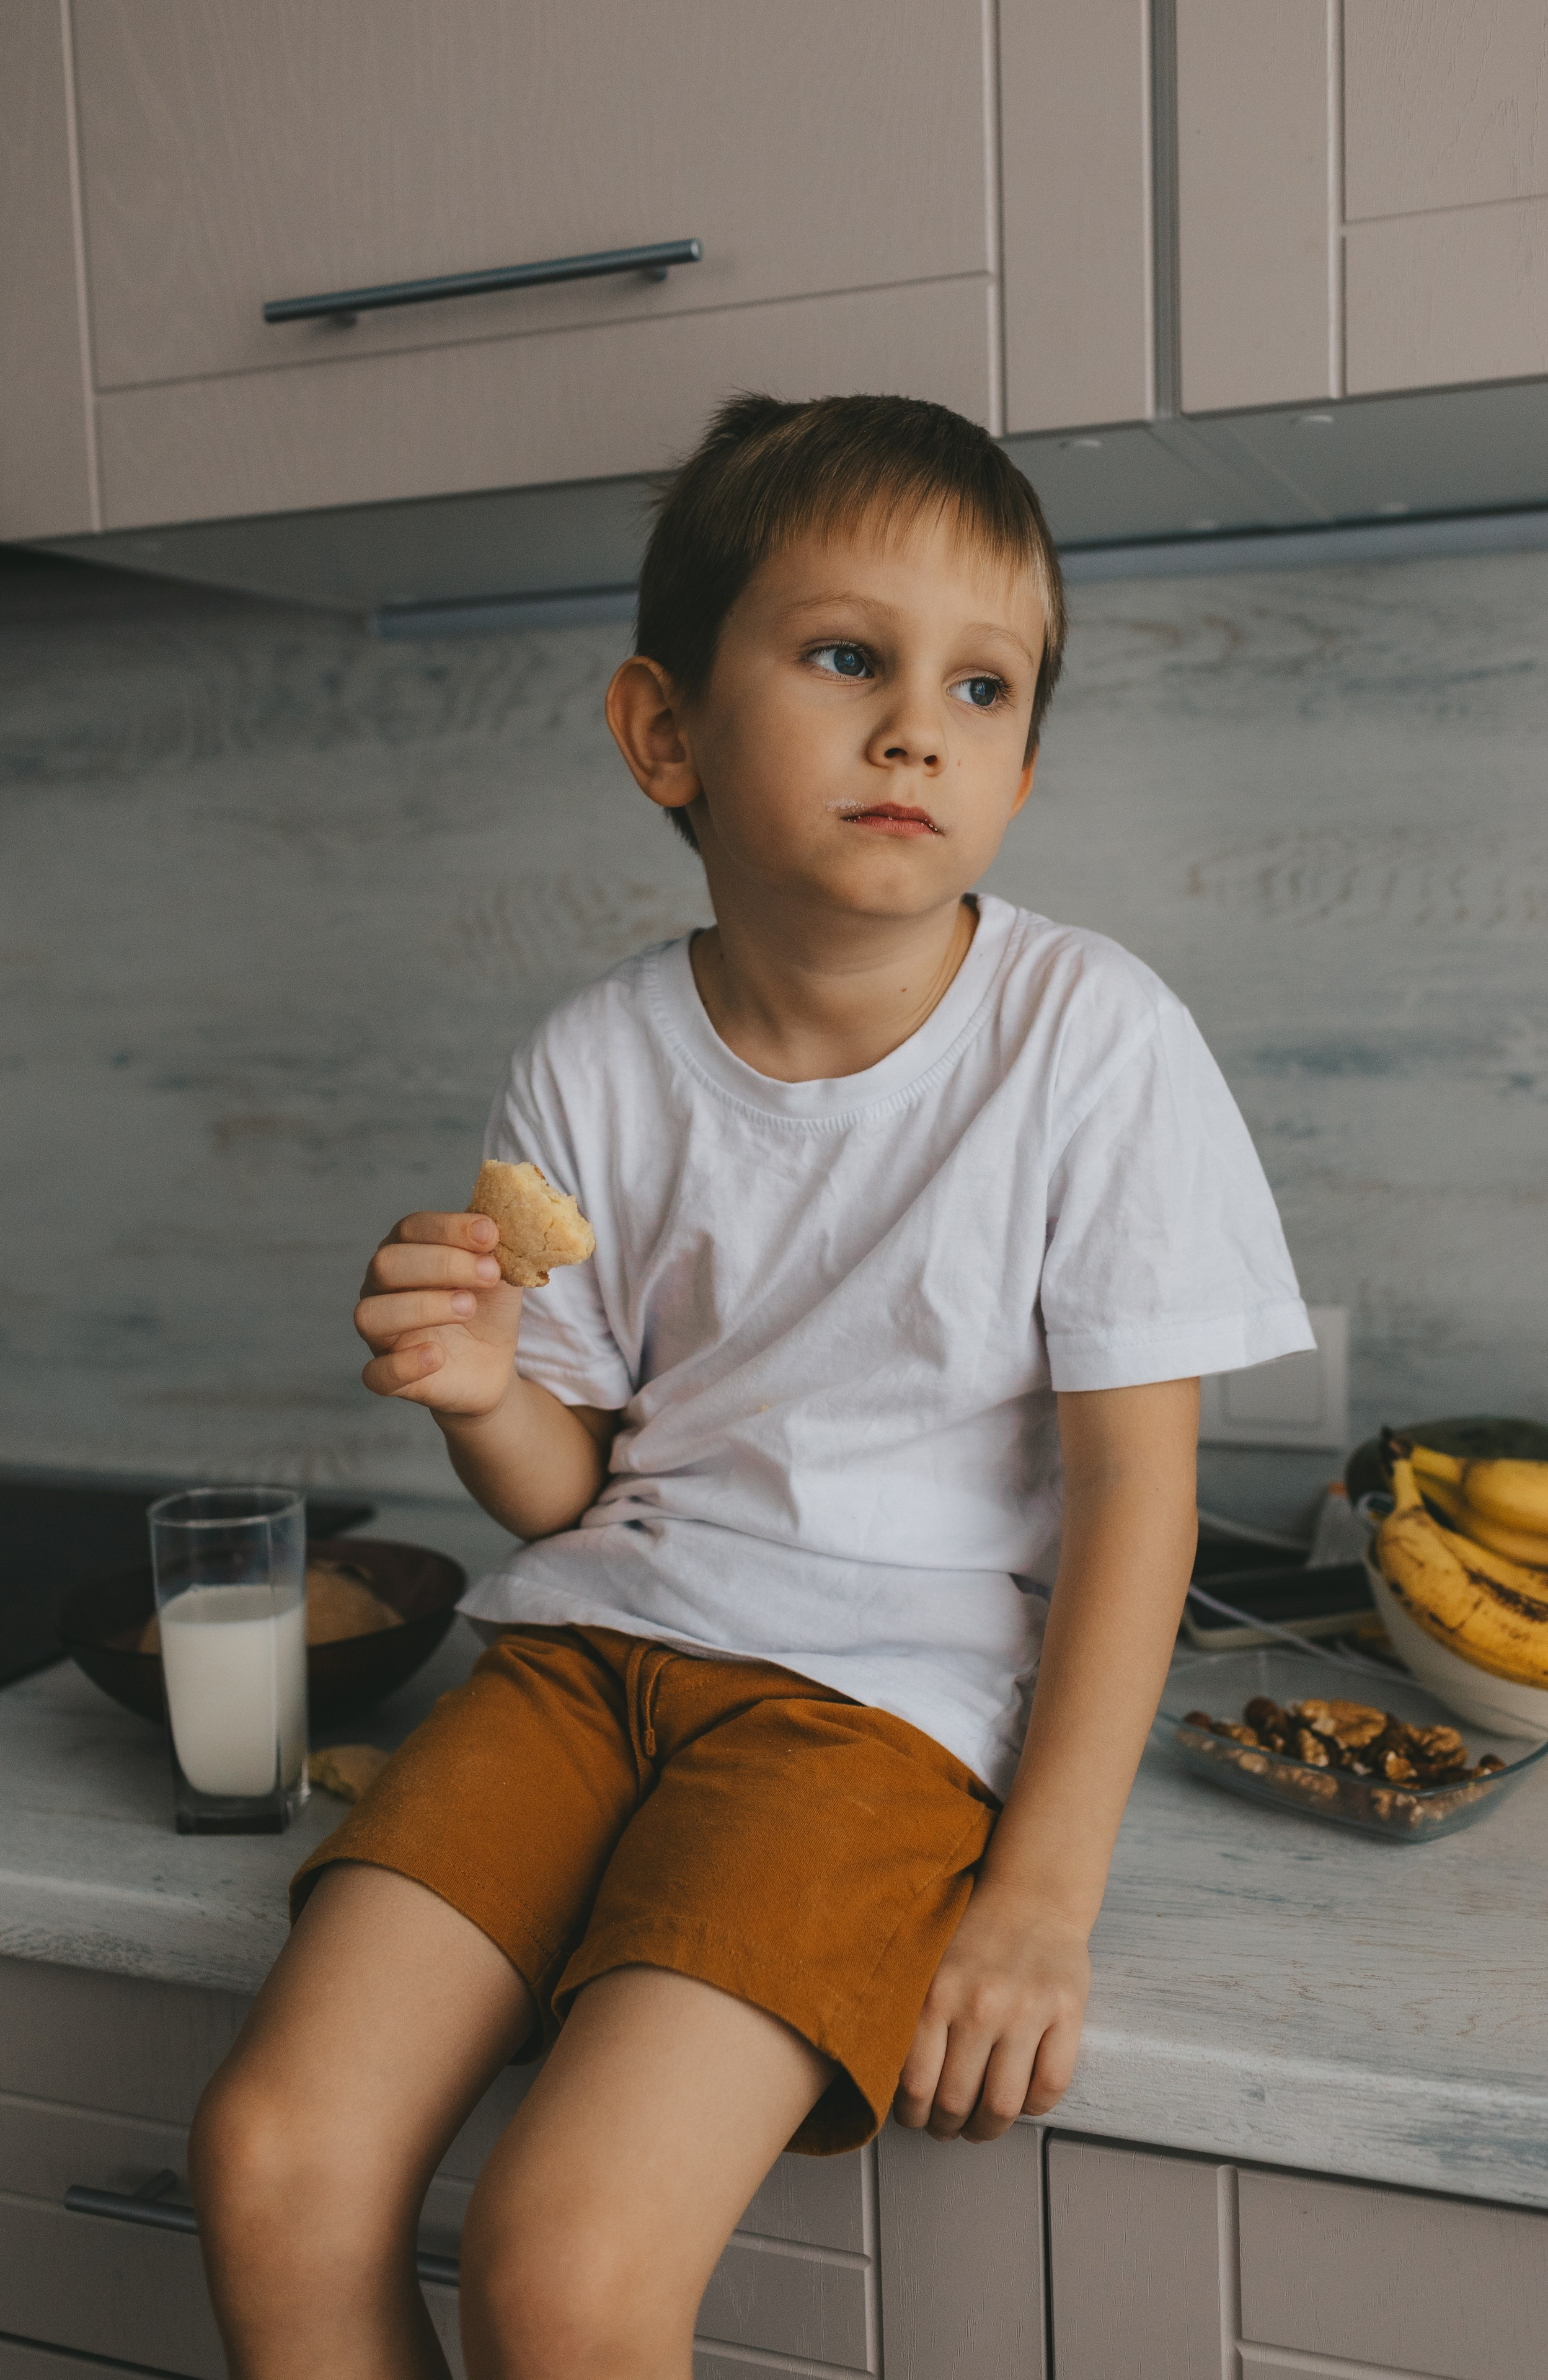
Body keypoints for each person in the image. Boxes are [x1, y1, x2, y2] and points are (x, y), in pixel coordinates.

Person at [188, 393, 1312, 2379]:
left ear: (1024, 765)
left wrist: (1039, 1902)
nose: (917, 728)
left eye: (982, 683)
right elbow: (569, 1488)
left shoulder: (1094, 1042)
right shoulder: (594, 1058)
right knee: (276, 2158)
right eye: (846, 656)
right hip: (582, 1662)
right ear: (664, 734)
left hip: (868, 1725)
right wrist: (474, 1390)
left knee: (562, 2264)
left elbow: (1142, 1501)